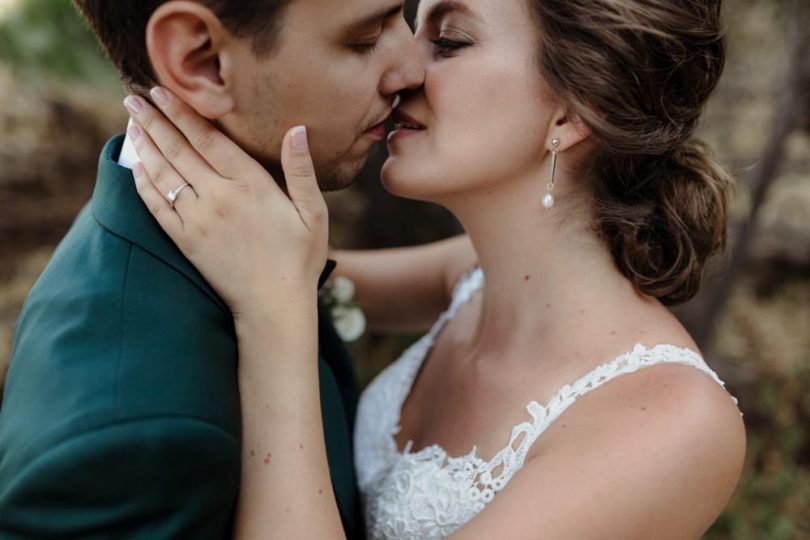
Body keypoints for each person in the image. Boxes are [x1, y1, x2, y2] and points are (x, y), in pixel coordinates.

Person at [127, 0, 748, 537]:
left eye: (449, 41)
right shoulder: (474, 275)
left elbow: (280, 295)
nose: (401, 69)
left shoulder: (673, 426)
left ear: (576, 107)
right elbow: (282, 270)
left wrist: (275, 320)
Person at [0, 0, 423, 537]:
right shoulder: (123, 442)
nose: (412, 68)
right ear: (200, 60)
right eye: (363, 39)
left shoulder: (244, 249)